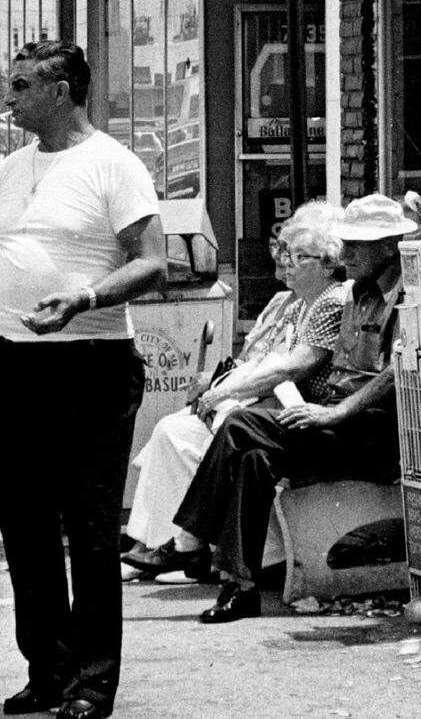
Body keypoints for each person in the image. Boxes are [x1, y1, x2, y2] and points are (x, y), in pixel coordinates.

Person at [0, 40, 167, 719]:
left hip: (91, 362)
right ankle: (49, 669)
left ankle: (93, 683)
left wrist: (84, 298)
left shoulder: (113, 165)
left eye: (21, 86)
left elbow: (153, 261)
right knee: (25, 524)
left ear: (61, 92)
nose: (9, 98)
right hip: (16, 363)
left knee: (89, 528)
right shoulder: (11, 168)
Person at [173, 192, 417, 623]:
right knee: (253, 457)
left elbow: (398, 369)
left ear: (387, 246)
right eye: (346, 243)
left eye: (357, 245)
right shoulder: (357, 293)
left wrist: (337, 413)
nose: (346, 254)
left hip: (372, 429)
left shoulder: (409, 294)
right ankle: (240, 587)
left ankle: (192, 536)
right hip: (339, 420)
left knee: (240, 424)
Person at [121, 201, 346, 578]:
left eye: (298, 256)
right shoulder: (296, 304)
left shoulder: (331, 301)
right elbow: (263, 360)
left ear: (327, 263)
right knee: (182, 430)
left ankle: (192, 546)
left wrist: (223, 393)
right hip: (285, 406)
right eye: (287, 254)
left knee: (231, 428)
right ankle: (170, 543)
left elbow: (293, 365)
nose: (287, 263)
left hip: (309, 410)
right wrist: (221, 388)